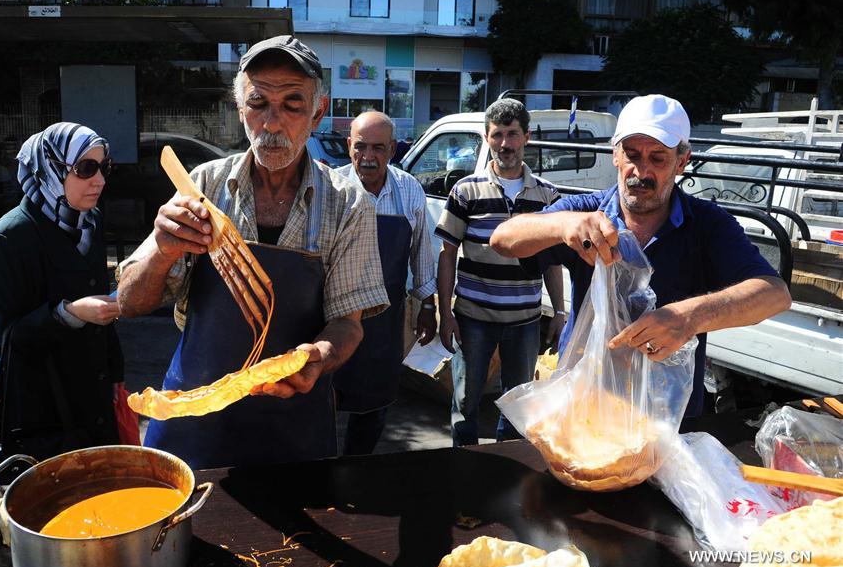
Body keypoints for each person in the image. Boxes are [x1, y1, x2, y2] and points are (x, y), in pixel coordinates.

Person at [116, 35, 389, 468]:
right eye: (259, 103)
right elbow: (130, 302)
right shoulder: (201, 188)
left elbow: (347, 322)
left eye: (292, 105)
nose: (273, 123)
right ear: (240, 108)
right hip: (194, 417)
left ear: (318, 111)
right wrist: (162, 251)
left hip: (294, 426)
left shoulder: (347, 203)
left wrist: (318, 357)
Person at [490, 94, 792, 417]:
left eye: (658, 158)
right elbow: (503, 238)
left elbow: (775, 294)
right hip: (587, 408)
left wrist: (687, 318)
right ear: (614, 154)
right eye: (631, 154)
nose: (641, 170)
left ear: (682, 161)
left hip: (668, 418)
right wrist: (562, 225)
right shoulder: (587, 213)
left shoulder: (707, 225)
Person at [0, 122, 124, 465]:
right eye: (85, 169)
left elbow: (100, 302)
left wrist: (116, 374)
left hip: (94, 397)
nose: (100, 180)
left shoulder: (89, 221)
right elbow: (9, 339)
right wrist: (69, 312)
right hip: (43, 413)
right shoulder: (6, 239)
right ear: (50, 170)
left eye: (104, 167)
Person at [435, 98, 566, 447]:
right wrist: (445, 313)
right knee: (465, 402)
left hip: (524, 321)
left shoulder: (547, 196)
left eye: (512, 134)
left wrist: (560, 311)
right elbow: (447, 255)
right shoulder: (465, 191)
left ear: (527, 137)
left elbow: (552, 261)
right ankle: (464, 469)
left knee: (517, 404)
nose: (505, 144)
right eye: (497, 135)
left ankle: (507, 469)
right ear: (486, 138)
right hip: (473, 319)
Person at [334, 111, 437, 455]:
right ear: (349, 146)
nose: (368, 157)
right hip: (331, 317)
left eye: (378, 148)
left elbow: (422, 249)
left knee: (374, 404)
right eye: (360, 147)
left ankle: (357, 466)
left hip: (386, 321)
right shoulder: (330, 189)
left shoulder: (409, 190)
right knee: (323, 398)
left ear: (392, 149)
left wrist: (427, 303)